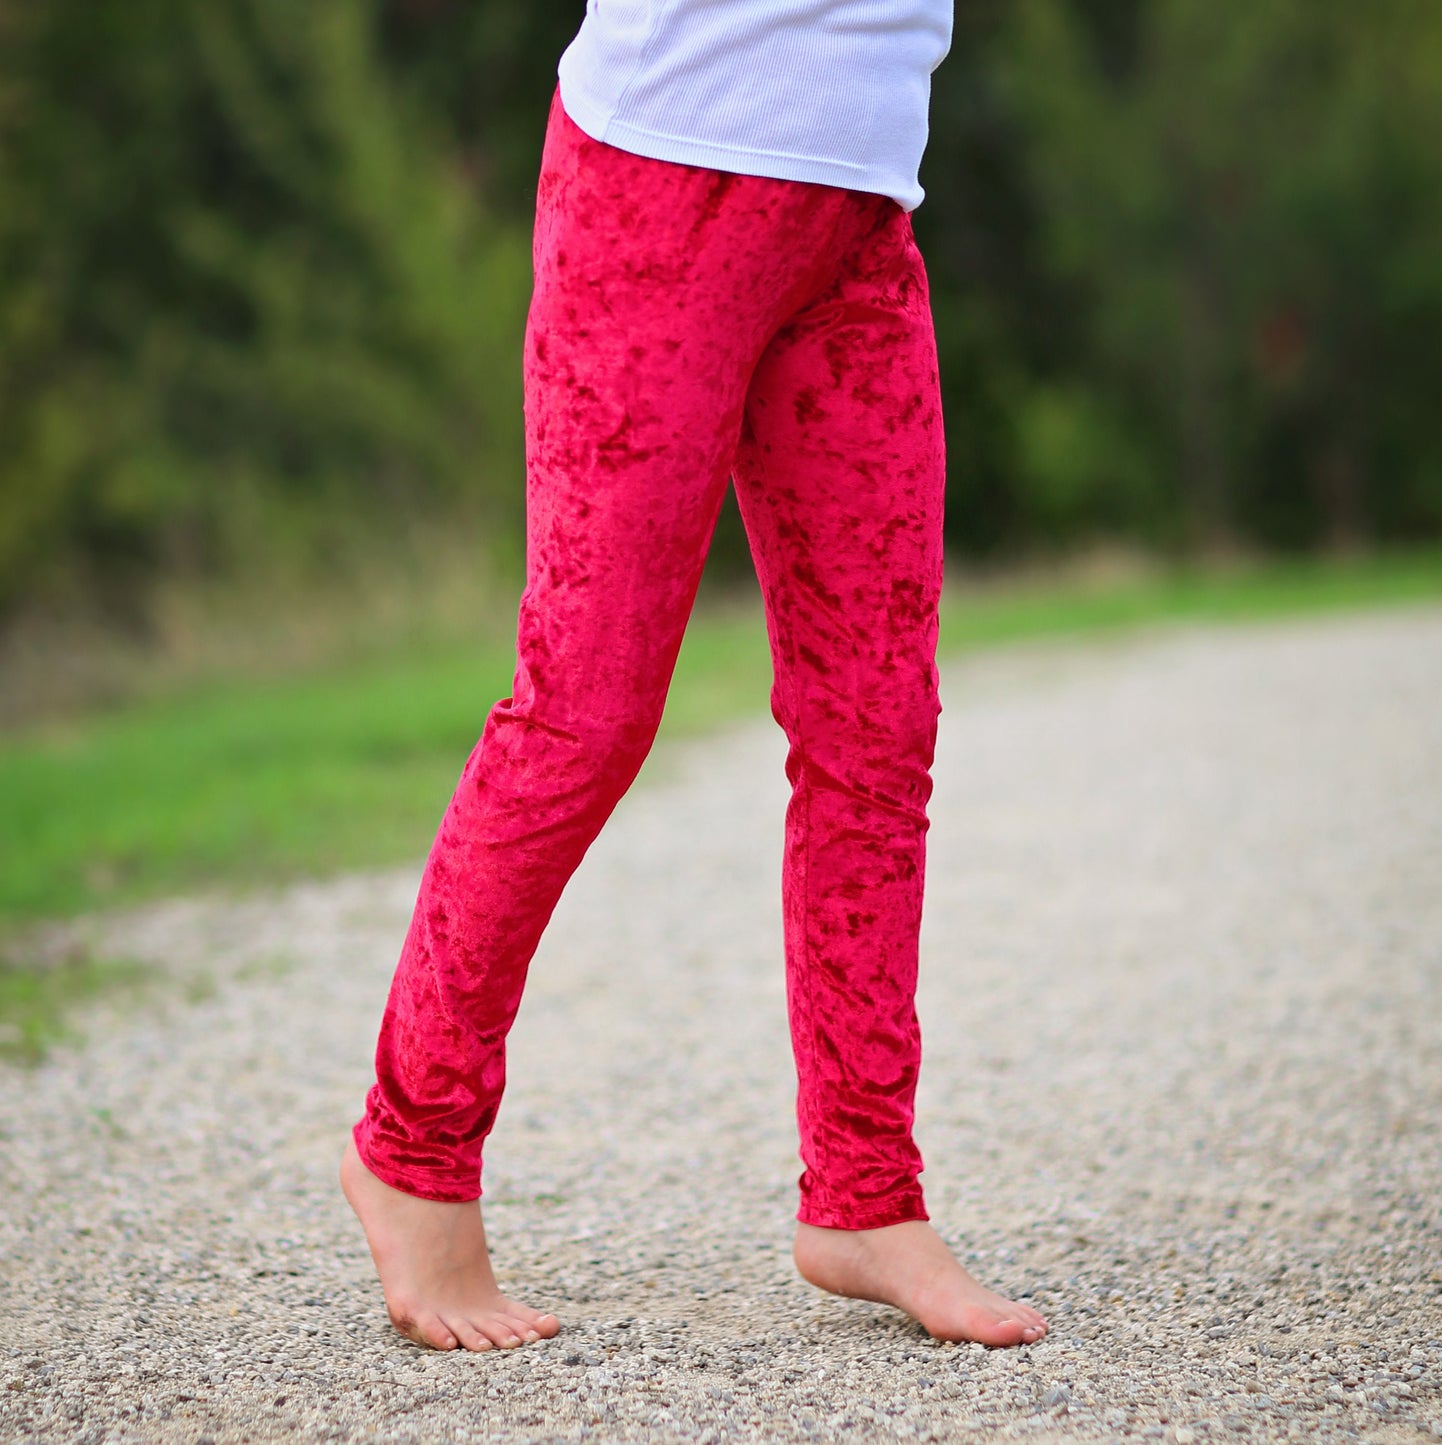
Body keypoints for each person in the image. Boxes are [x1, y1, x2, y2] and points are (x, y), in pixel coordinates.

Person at [341, 0, 1049, 1353]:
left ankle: (864, 1193)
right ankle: (409, 1148)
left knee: (877, 730)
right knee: (582, 709)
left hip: (855, 212)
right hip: (658, 187)